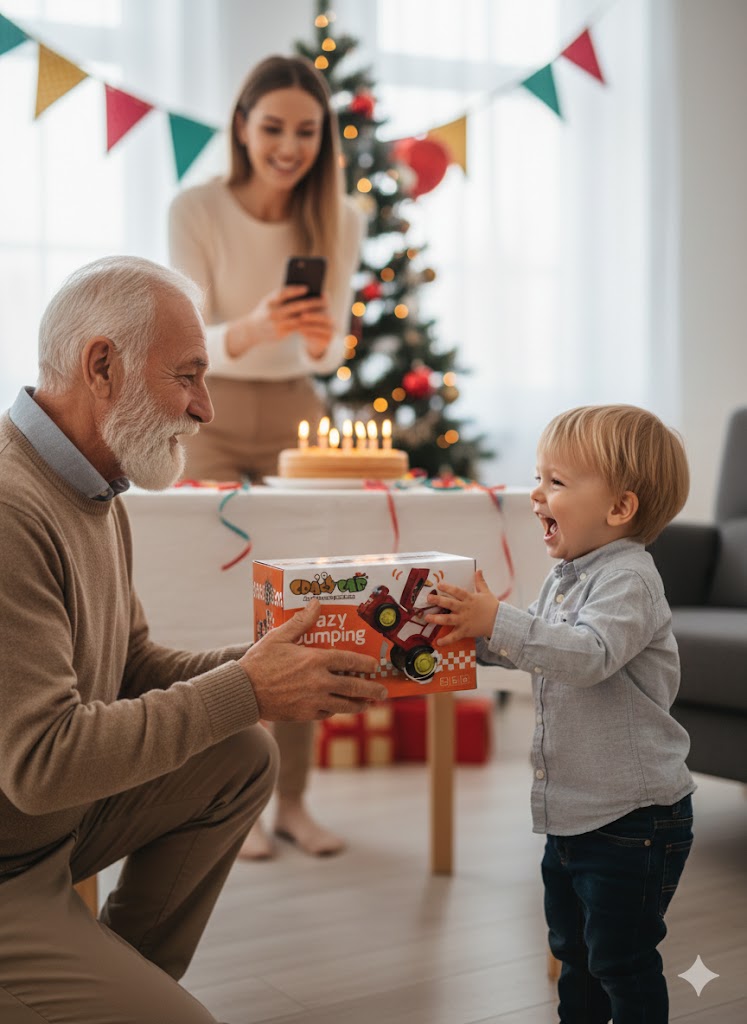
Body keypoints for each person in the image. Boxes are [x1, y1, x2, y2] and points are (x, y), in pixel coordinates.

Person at [0, 255, 385, 1024]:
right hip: (11, 855)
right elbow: (42, 764)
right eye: (188, 375)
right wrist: (249, 688)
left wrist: (271, 668)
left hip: (42, 838)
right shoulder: (12, 510)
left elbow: (134, 665)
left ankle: (111, 982)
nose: (205, 408)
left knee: (241, 754)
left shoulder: (93, 487)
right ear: (101, 366)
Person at [425, 404, 695, 1024]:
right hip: (574, 817)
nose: (535, 494)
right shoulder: (567, 577)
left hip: (635, 818)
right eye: (538, 476)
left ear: (619, 509)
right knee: (574, 954)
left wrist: (500, 620)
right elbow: (541, 647)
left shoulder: (630, 579)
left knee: (621, 962)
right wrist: (474, 637)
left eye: (556, 482)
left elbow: (588, 654)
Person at [168, 54, 364, 860]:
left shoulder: (338, 217)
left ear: (324, 137)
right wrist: (245, 329)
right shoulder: (197, 208)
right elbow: (181, 339)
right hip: (205, 409)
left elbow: (331, 347)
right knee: (209, 602)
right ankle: (225, 799)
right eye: (273, 126)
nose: (289, 145)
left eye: (306, 131)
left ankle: (292, 801)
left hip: (296, 414)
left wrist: (323, 338)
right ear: (242, 126)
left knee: (309, 609)